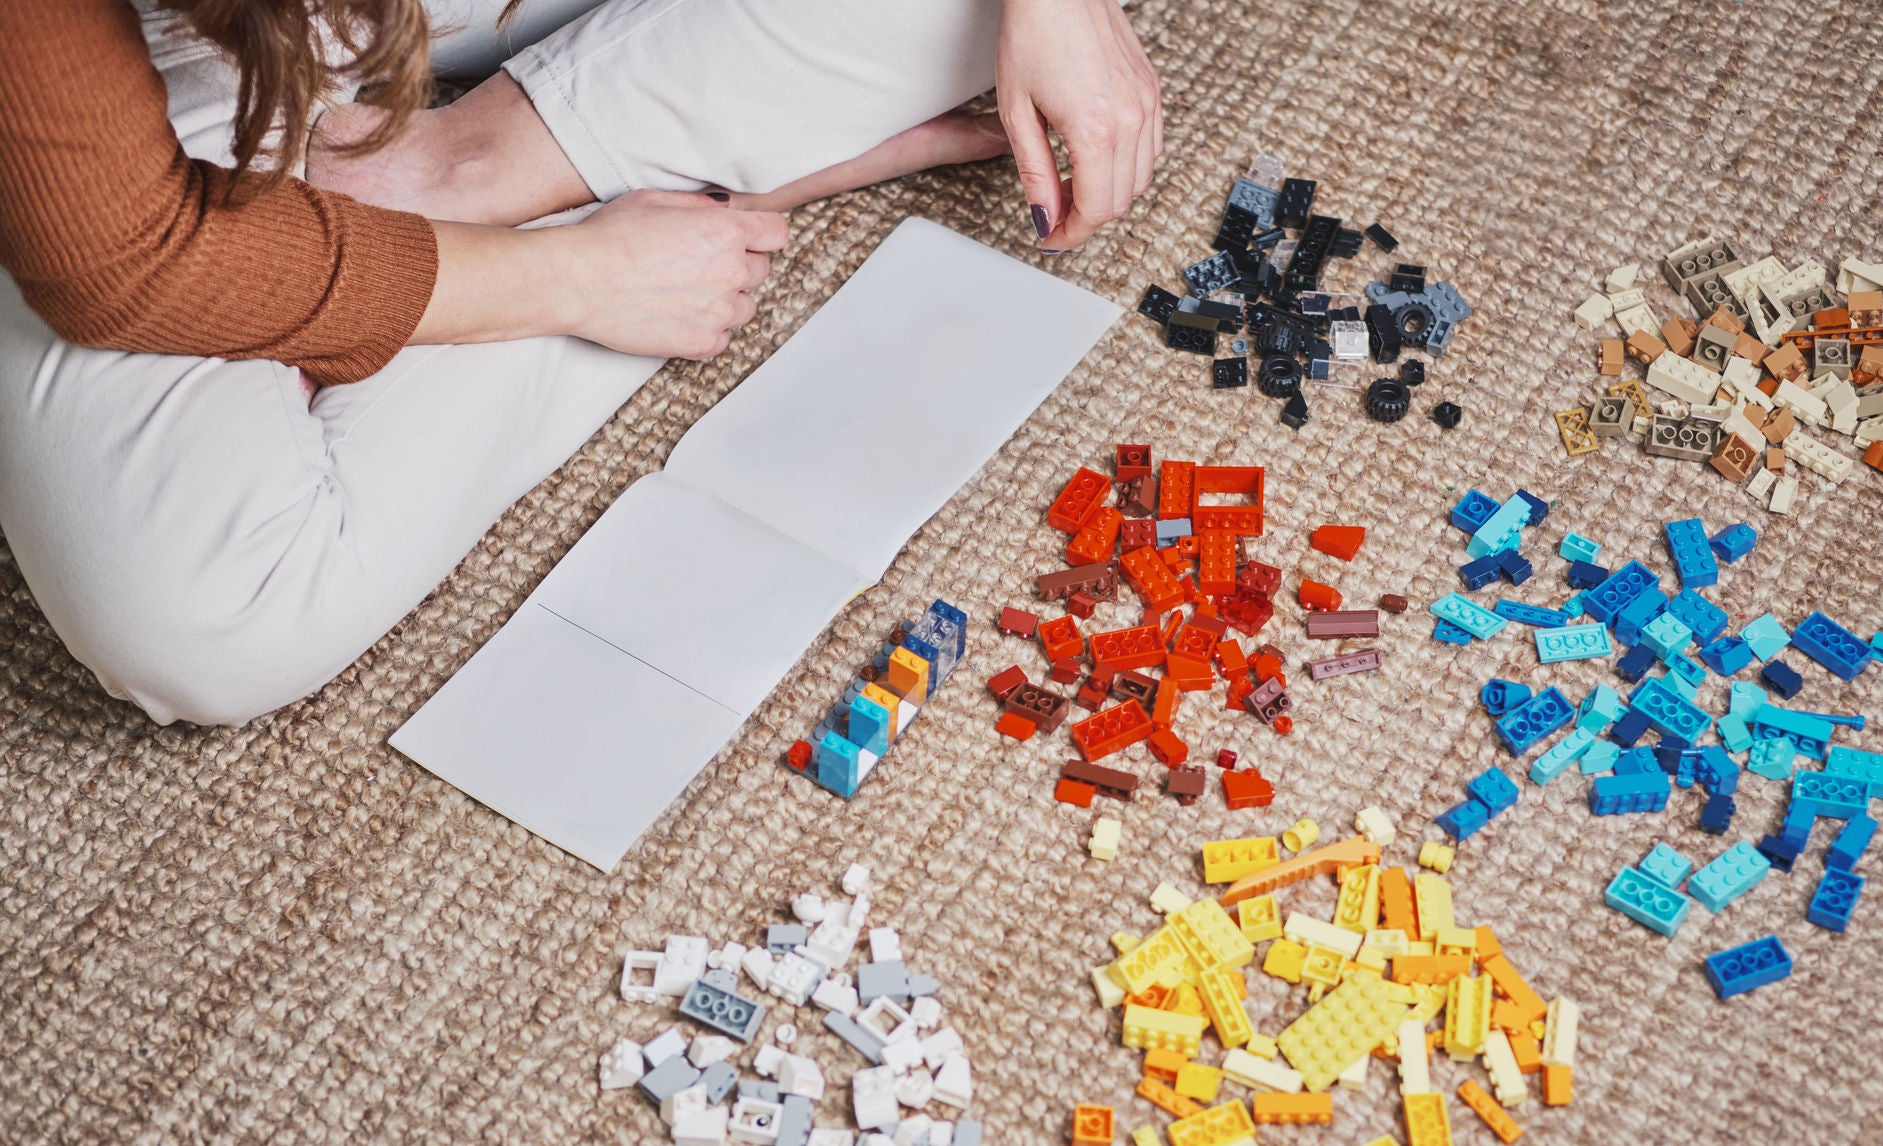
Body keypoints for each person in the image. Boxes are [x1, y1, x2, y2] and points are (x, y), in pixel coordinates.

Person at [0, 0, 1161, 726]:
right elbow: (122, 256)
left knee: (1036, 45)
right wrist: (577, 281)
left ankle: (468, 167)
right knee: (202, 614)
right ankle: (667, 198)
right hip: (167, 74)